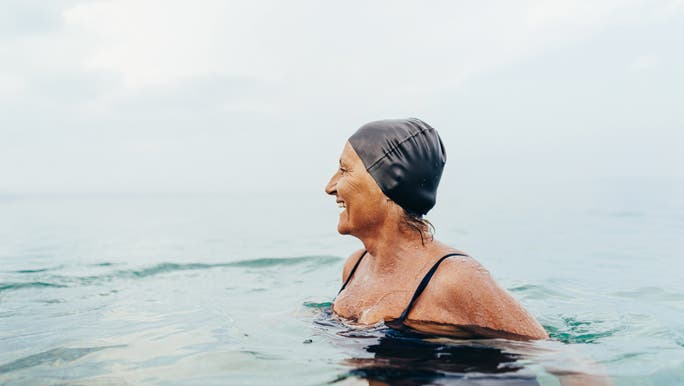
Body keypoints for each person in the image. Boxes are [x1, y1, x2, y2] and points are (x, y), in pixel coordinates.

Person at [324, 118, 548, 341]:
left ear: (389, 183)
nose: (330, 187)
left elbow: (552, 354)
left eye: (344, 170)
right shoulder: (355, 266)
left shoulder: (454, 279)